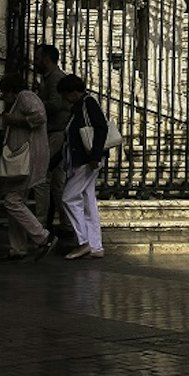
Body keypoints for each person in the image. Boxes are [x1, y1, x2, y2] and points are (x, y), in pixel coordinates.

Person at [0, 72, 55, 262]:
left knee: (12, 201)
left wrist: (14, 120)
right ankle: (17, 248)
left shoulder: (25, 97)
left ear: (11, 91)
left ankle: (43, 237)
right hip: (20, 160)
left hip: (29, 159)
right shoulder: (18, 101)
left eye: (4, 93)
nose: (3, 97)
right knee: (15, 200)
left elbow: (40, 116)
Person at [57, 75, 110, 260]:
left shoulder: (87, 103)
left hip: (87, 160)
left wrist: (95, 155)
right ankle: (95, 246)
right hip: (87, 159)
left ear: (73, 92)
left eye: (65, 94)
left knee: (68, 198)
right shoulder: (80, 106)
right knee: (88, 202)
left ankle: (83, 242)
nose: (64, 99)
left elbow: (101, 127)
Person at [34, 44, 71, 241]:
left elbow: (56, 105)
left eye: (38, 58)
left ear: (47, 59)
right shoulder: (48, 78)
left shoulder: (56, 78)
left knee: (44, 178)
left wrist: (34, 104)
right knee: (57, 182)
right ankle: (65, 223)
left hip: (56, 133)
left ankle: (40, 225)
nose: (35, 61)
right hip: (54, 132)